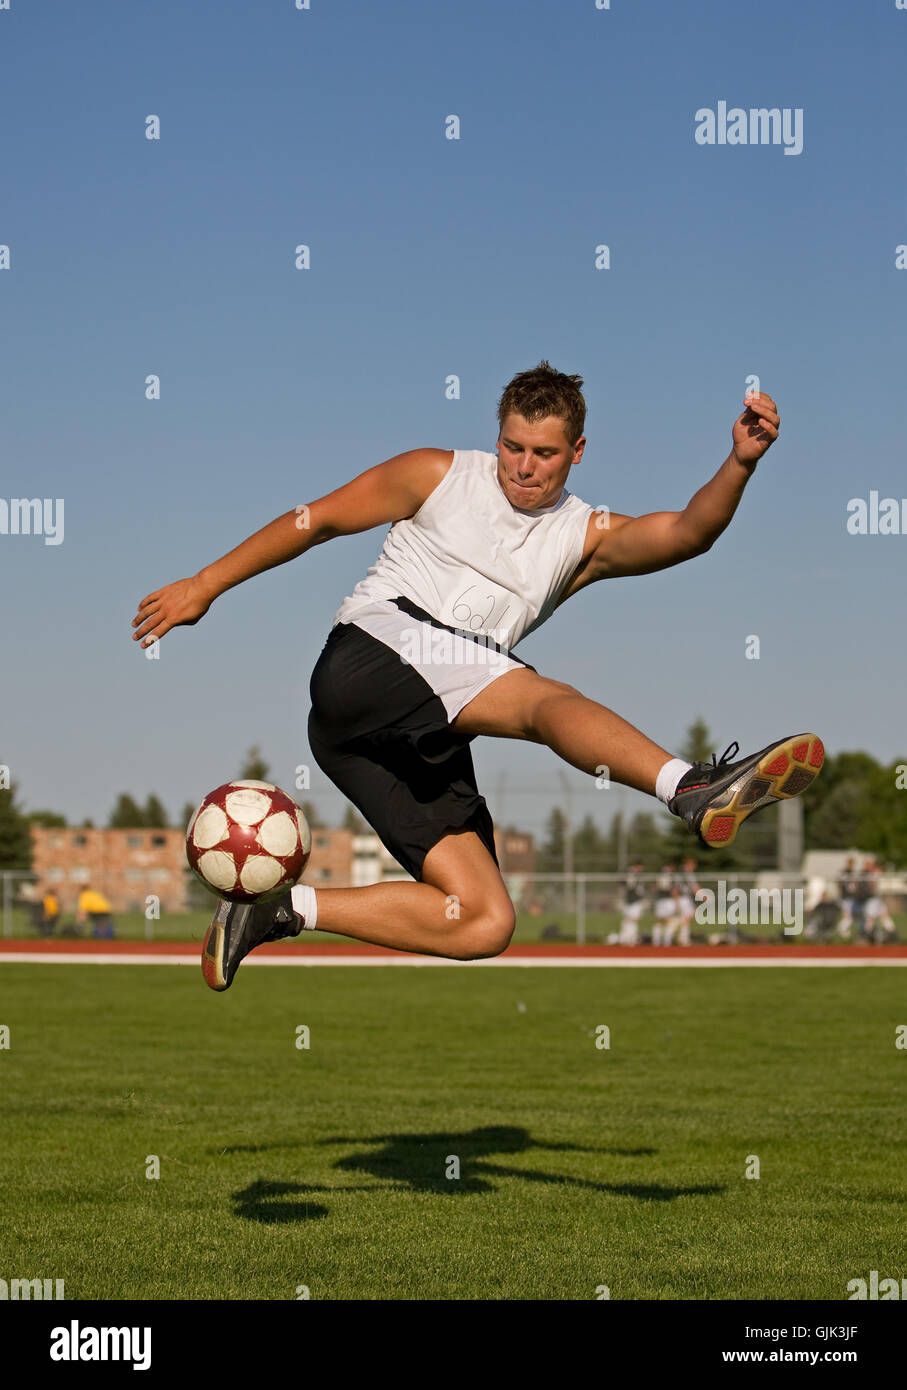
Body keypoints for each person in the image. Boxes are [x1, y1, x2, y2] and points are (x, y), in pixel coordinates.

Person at [131, 362, 825, 990]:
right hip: (369, 655)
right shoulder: (436, 473)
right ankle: (690, 788)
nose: (523, 468)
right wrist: (205, 583)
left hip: (387, 737)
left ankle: (276, 913)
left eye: (544, 454)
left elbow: (686, 534)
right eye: (512, 447)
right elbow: (316, 521)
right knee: (540, 701)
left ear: (576, 453)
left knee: (482, 920)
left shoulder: (584, 537)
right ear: (496, 436)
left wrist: (738, 463)